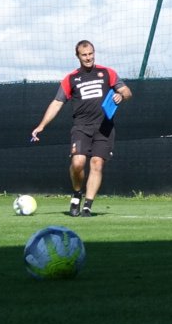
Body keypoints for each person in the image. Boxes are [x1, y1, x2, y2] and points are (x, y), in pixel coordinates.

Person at [30, 40, 133, 218]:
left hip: (104, 128)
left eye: (91, 53)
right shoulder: (71, 78)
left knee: (97, 163)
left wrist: (120, 95)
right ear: (77, 56)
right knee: (77, 163)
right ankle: (77, 193)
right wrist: (41, 126)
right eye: (84, 55)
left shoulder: (107, 72)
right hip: (81, 127)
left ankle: (87, 206)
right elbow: (57, 103)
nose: (88, 57)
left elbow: (127, 92)